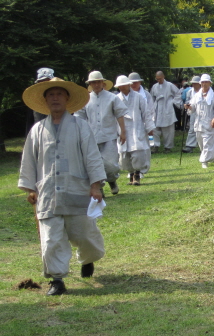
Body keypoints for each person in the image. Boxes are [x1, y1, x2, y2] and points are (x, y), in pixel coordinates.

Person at [19, 78, 107, 295]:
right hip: (48, 194)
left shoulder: (80, 126)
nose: (55, 98)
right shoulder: (38, 130)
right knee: (51, 239)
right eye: (51, 95)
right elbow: (29, 160)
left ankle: (87, 259)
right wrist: (31, 188)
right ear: (46, 100)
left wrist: (95, 186)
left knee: (85, 235)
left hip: (77, 190)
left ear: (67, 99)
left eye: (59, 94)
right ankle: (57, 280)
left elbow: (92, 157)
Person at [75, 71, 127, 196]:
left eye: (98, 82)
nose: (97, 84)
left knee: (111, 164)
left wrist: (123, 132)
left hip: (109, 135)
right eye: (94, 82)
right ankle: (99, 187)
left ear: (103, 83)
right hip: (91, 137)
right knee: (94, 164)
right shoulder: (85, 99)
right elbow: (79, 117)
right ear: (90, 84)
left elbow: (120, 114)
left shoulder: (112, 97)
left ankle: (112, 180)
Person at [114, 75, 154, 185]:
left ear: (128, 85)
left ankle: (137, 174)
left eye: (124, 85)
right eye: (120, 86)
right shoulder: (116, 99)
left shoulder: (138, 97)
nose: (122, 88)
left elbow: (146, 113)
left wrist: (149, 127)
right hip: (122, 129)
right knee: (124, 156)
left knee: (138, 153)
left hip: (137, 127)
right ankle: (131, 173)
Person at [184, 74, 214, 168]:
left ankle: (204, 161)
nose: (204, 84)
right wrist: (188, 107)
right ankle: (211, 157)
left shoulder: (213, 96)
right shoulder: (197, 96)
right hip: (199, 123)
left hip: (209, 123)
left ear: (210, 83)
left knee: (208, 143)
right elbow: (192, 108)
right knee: (201, 143)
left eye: (206, 82)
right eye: (203, 82)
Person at [150, 71, 182, 154]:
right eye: (157, 79)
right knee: (154, 130)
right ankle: (154, 146)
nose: (158, 80)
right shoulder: (154, 86)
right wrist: (152, 106)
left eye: (160, 79)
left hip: (167, 107)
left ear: (163, 76)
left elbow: (178, 94)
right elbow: (151, 97)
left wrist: (172, 102)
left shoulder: (170, 85)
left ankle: (168, 147)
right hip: (157, 109)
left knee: (168, 131)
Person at [182, 76, 201, 154]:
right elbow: (187, 100)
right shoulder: (190, 91)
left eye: (195, 83)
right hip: (193, 111)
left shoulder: (203, 91)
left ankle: (203, 147)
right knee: (192, 128)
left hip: (202, 112)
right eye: (193, 83)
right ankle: (189, 146)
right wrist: (187, 105)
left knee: (203, 129)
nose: (193, 85)